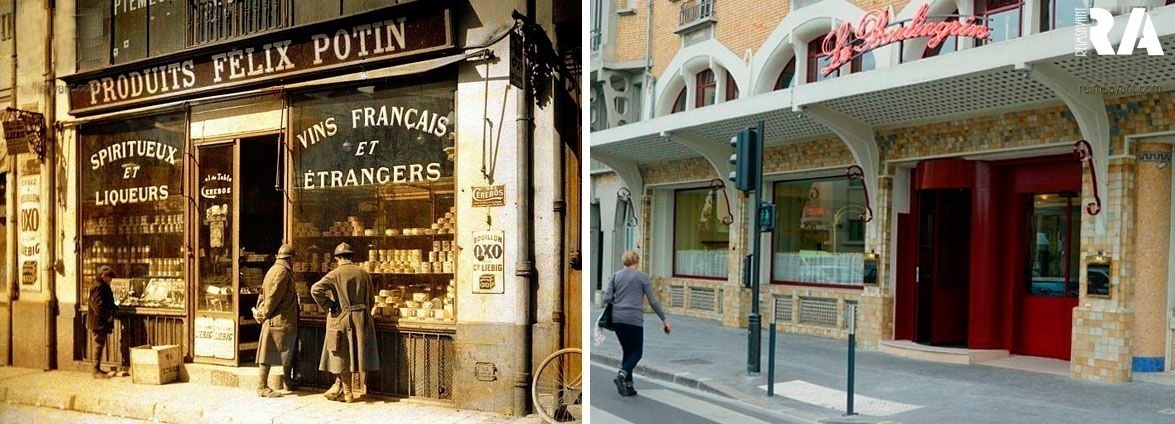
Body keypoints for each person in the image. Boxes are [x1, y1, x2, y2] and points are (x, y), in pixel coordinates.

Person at [311, 242, 380, 403]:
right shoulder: (363, 273)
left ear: (337, 258)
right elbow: (371, 299)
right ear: (351, 257)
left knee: (339, 354)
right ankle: (342, 387)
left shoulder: (335, 274)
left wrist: (330, 305)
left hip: (341, 318)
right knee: (356, 354)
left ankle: (347, 392)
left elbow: (315, 289)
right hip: (361, 319)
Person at [603, 250, 670, 397]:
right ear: (637, 262)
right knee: (637, 352)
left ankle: (629, 386)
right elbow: (652, 301)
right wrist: (664, 319)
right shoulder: (642, 277)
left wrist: (619, 302)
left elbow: (606, 297)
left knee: (628, 352)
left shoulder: (616, 276)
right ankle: (622, 374)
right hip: (634, 320)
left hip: (618, 319)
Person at [254, 244, 300, 397]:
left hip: (280, 319)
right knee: (267, 353)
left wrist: (260, 309)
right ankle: (262, 387)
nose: (294, 261)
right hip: (278, 319)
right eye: (293, 258)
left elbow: (262, 294)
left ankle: (288, 381)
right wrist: (264, 314)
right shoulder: (282, 272)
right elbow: (273, 297)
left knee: (287, 351)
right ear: (290, 258)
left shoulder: (274, 270)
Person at [87, 265, 117, 379]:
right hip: (98, 321)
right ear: (103, 276)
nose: (111, 280)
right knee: (98, 344)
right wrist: (108, 316)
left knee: (100, 343)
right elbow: (97, 306)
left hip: (101, 320)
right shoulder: (97, 286)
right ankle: (95, 370)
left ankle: (97, 368)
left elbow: (107, 301)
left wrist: (114, 308)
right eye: (109, 278)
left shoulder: (103, 285)